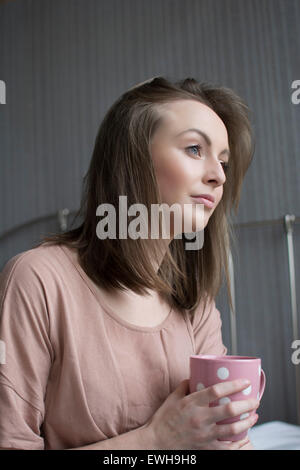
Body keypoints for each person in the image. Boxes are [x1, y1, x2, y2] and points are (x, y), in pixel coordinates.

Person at [0, 76, 258, 450]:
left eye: (223, 161)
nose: (218, 175)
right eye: (193, 149)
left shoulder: (195, 301)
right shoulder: (37, 280)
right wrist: (154, 440)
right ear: (133, 158)